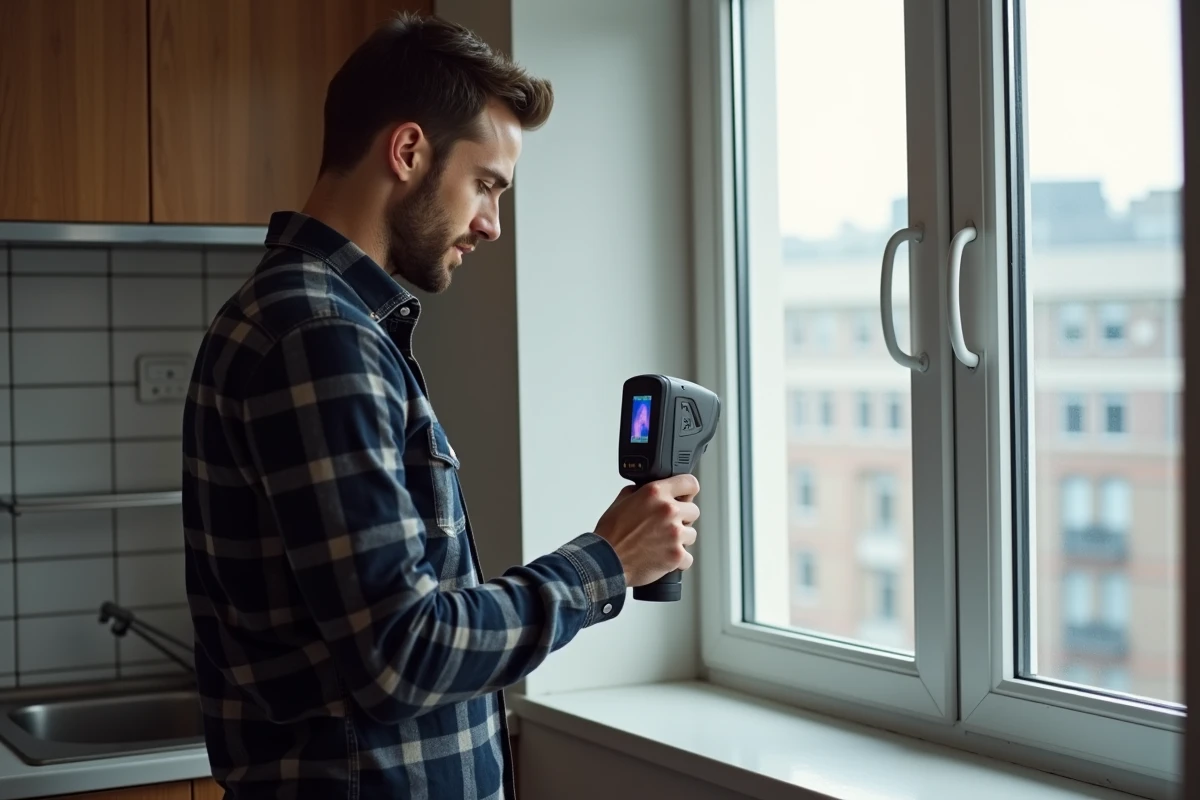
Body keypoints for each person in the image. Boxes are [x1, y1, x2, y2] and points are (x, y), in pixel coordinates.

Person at [181, 11, 700, 800]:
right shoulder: (318, 335)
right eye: (486, 185)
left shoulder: (319, 322)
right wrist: (608, 563)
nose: (491, 223)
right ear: (409, 150)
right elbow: (403, 653)